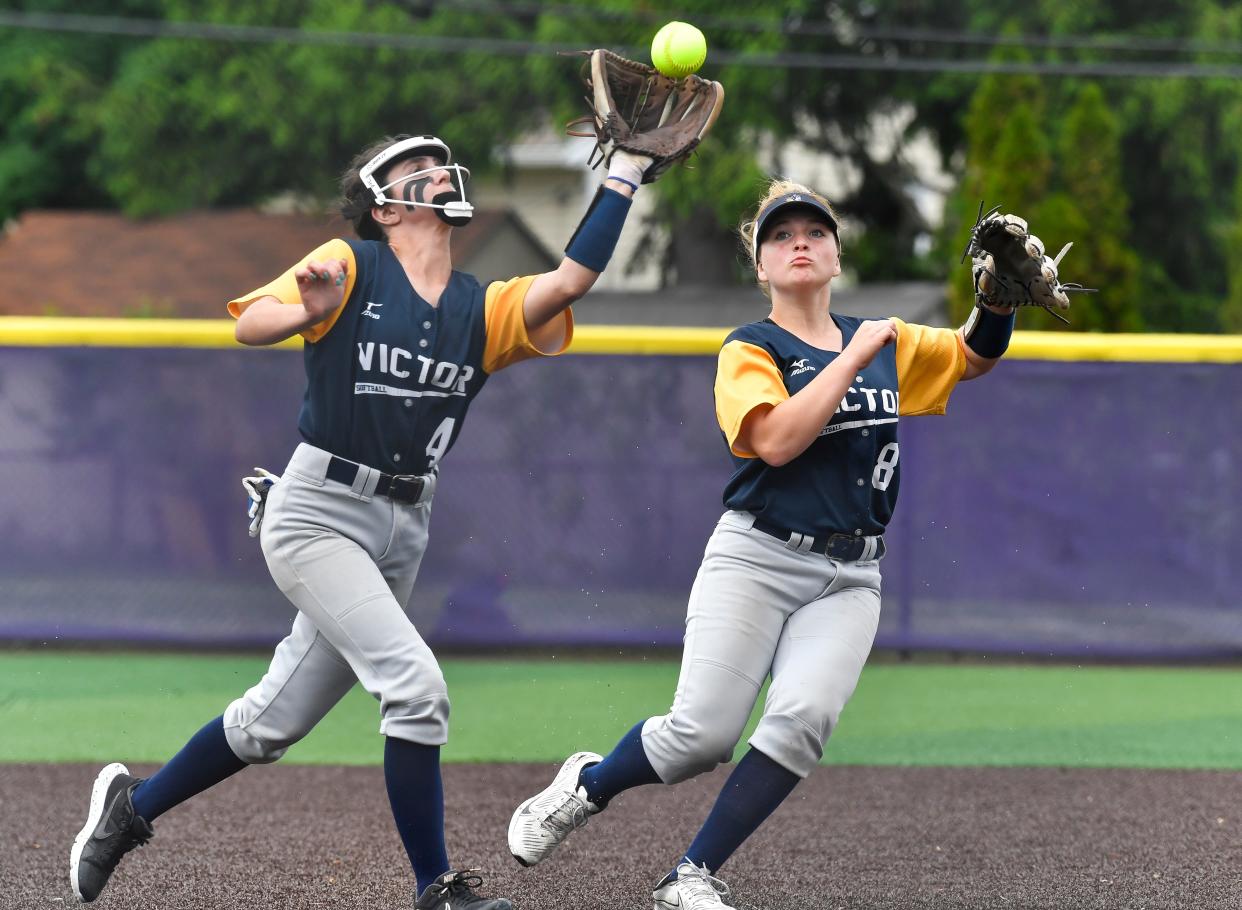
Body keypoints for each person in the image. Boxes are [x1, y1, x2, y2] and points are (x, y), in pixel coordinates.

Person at [68, 132, 654, 909]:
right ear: (385, 205)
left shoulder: (485, 307)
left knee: (270, 724)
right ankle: (436, 889)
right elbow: (250, 323)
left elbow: (572, 277)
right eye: (419, 171)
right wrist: (299, 312)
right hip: (316, 510)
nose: (440, 174)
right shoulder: (352, 264)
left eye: (441, 165)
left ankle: (129, 810)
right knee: (416, 689)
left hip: (404, 523)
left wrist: (626, 172)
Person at [507, 179, 1021, 910]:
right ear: (760, 264)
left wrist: (996, 302)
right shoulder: (754, 346)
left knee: (804, 718)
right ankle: (587, 786)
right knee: (700, 737)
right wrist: (853, 357)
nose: (799, 242)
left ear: (838, 253)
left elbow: (972, 357)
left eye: (814, 231)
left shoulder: (883, 340)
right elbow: (775, 441)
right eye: (780, 235)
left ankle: (689, 875)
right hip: (758, 557)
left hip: (851, 575)